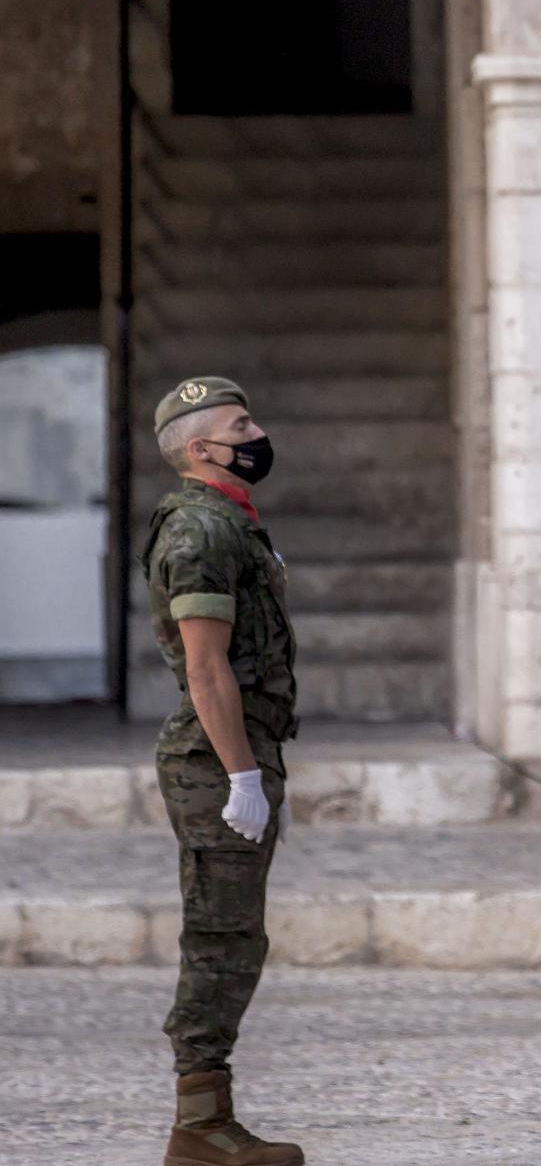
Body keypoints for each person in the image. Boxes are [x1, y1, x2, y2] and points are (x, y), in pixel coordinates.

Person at [142, 375, 303, 1166]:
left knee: (237, 936)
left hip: (239, 751)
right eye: (242, 423)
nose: (257, 432)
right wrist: (241, 776)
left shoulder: (231, 523)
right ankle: (200, 1124)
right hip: (216, 758)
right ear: (202, 448)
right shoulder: (201, 532)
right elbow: (206, 672)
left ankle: (209, 1119)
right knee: (220, 936)